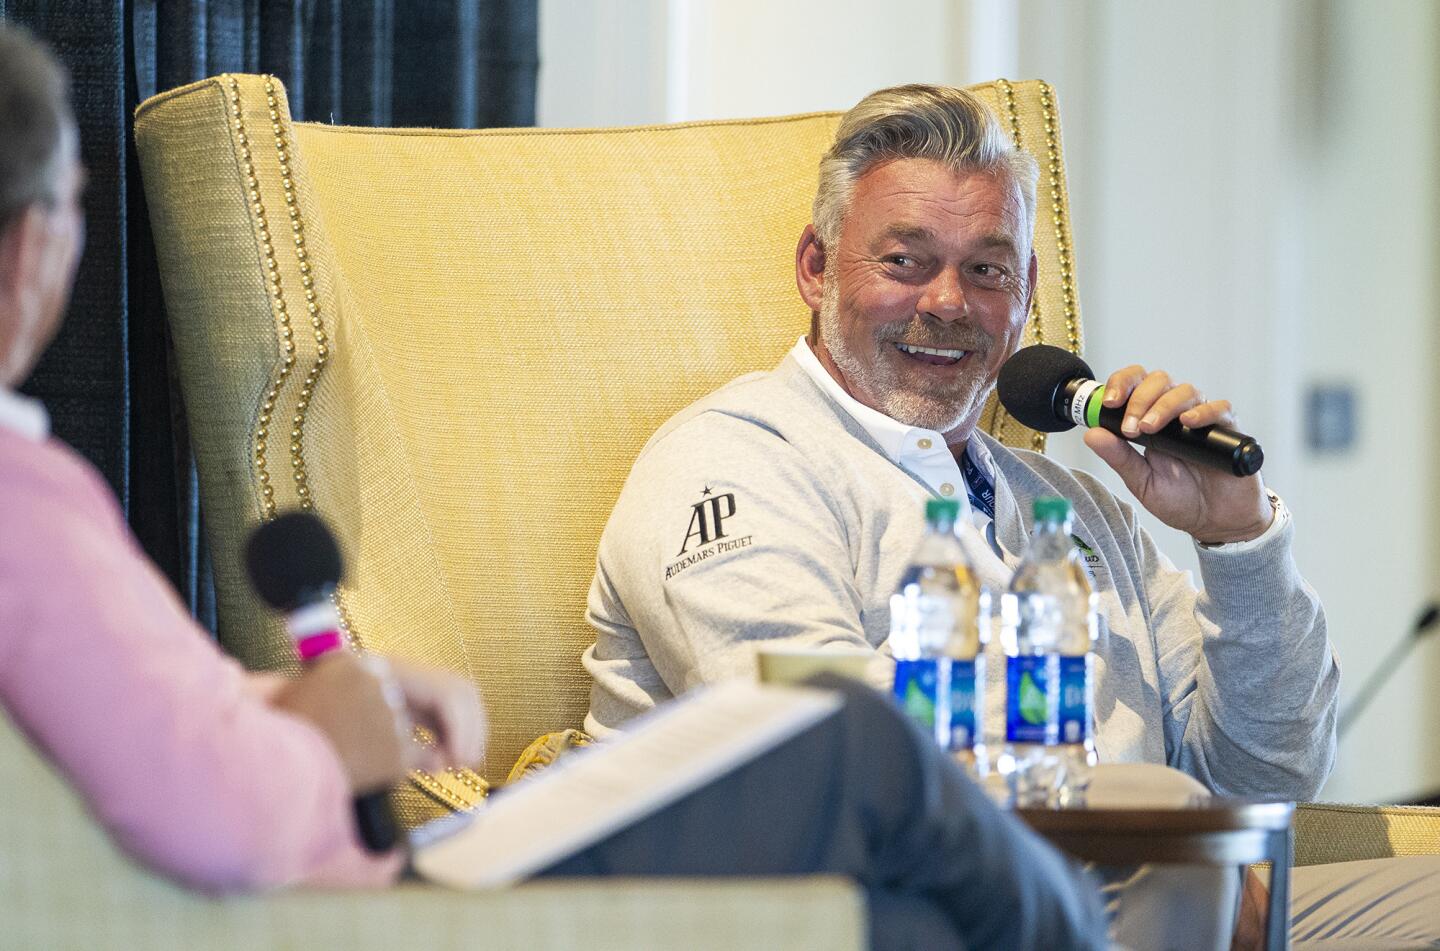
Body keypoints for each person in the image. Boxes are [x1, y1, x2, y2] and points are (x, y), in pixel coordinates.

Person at [0, 25, 1107, 950]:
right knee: (844, 732)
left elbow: (142, 745)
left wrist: (272, 702)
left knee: (903, 918)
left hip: (401, 880)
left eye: (986, 268)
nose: (948, 302)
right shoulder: (24, 499)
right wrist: (324, 742)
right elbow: (211, 816)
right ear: (31, 247)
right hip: (396, 908)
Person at [582, 82, 1440, 949]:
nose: (948, 302)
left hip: (1163, 893)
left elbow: (1271, 774)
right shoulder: (731, 461)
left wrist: (1238, 537)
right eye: (905, 261)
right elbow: (835, 755)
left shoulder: (1072, 503)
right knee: (1156, 822)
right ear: (815, 264)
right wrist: (1168, 838)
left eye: (986, 269)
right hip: (897, 913)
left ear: (1026, 291)